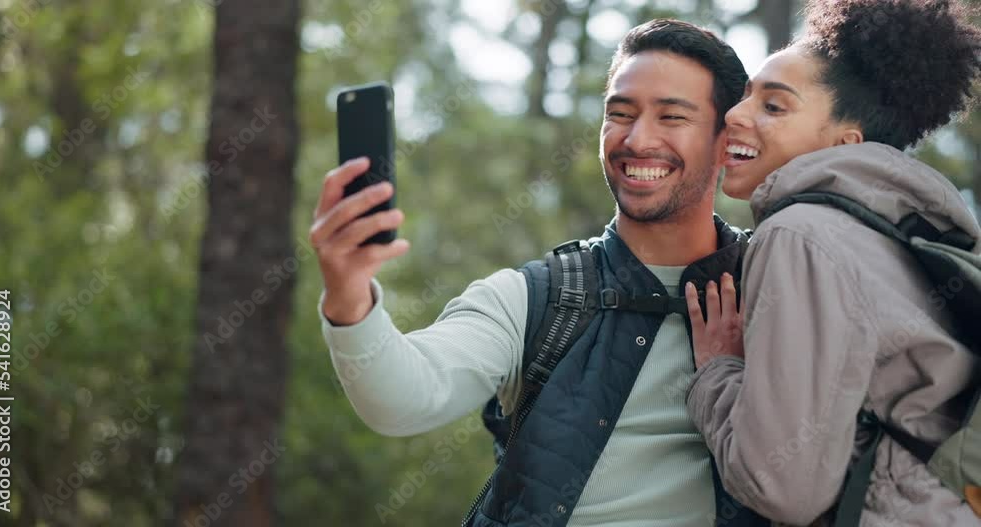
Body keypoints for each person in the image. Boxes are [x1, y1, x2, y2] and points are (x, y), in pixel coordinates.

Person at [311, 19, 767, 527]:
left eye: (672, 116)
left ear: (726, 140)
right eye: (620, 113)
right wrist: (348, 292)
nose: (638, 139)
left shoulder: (776, 285)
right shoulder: (539, 296)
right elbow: (401, 400)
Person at [683, 0, 981, 525]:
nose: (734, 114)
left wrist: (715, 372)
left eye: (774, 107)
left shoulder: (801, 233)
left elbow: (782, 487)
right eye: (747, 96)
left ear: (845, 142)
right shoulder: (901, 232)